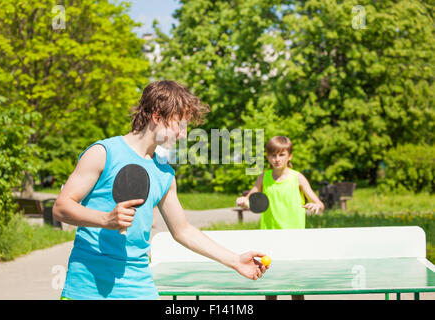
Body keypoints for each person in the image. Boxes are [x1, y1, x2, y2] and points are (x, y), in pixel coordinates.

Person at [53, 80, 268, 300]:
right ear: (157, 117)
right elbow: (61, 208)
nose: (183, 135)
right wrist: (105, 219)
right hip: (87, 287)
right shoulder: (103, 153)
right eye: (180, 125)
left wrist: (234, 260)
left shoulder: (165, 174)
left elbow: (183, 230)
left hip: (138, 285)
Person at [236, 136, 324, 300]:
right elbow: (250, 198)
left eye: (281, 154)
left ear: (289, 156)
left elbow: (319, 203)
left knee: (296, 289)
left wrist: (316, 206)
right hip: (269, 239)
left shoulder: (297, 177)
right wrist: (243, 201)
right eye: (273, 155)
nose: (277, 159)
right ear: (268, 156)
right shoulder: (264, 177)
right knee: (271, 288)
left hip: (294, 239)